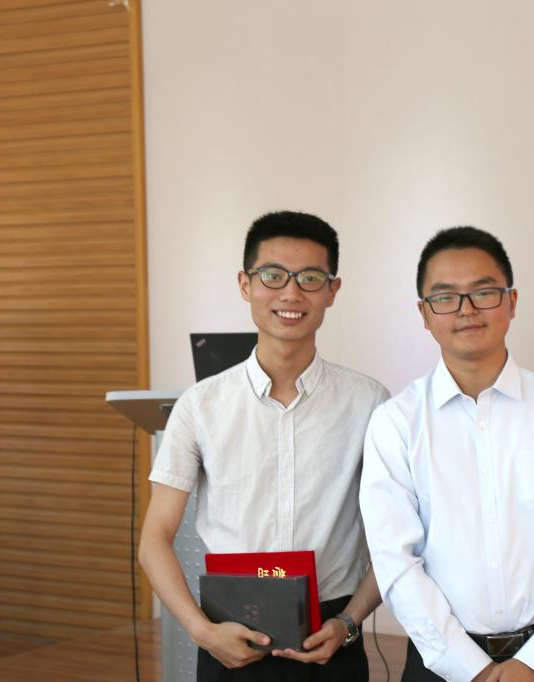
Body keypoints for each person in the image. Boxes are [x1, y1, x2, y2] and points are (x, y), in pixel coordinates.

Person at [360, 226, 534, 682]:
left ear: (512, 301)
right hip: (440, 664)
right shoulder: (396, 423)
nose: (466, 310)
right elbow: (395, 559)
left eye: (483, 292)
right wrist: (472, 670)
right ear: (424, 314)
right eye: (445, 297)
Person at [138, 210, 389, 681]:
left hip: (331, 633)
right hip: (228, 630)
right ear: (245, 284)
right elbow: (154, 539)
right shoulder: (200, 405)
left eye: (310, 278)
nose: (291, 293)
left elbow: (398, 535)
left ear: (333, 290)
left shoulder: (369, 403)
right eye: (273, 275)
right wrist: (202, 631)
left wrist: (350, 622)